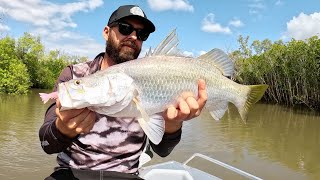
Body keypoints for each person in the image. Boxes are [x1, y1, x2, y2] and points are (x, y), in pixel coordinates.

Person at [39, 4, 207, 180]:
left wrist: (172, 125)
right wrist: (62, 130)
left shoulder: (153, 73)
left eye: (142, 34)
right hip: (71, 173)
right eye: (125, 28)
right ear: (106, 32)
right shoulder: (74, 76)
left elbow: (163, 151)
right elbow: (46, 144)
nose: (133, 36)